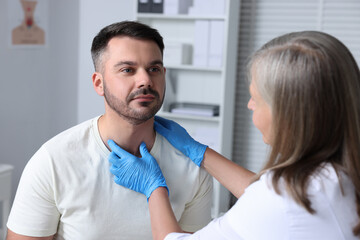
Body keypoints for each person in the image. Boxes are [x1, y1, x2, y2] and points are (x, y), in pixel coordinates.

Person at [108, 31, 360, 239]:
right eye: (127, 70)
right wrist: (199, 151)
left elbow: (274, 202)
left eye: (256, 99)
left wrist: (154, 188)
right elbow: (275, 196)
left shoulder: (280, 199)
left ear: (289, 115)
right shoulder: (338, 177)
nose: (250, 105)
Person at [6, 21, 214, 239]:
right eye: (127, 70)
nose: (145, 80)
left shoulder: (193, 167)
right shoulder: (53, 162)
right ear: (99, 83)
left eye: (154, 69)